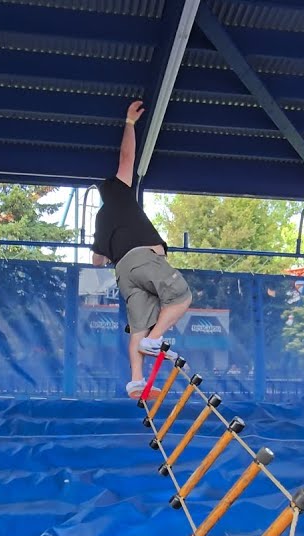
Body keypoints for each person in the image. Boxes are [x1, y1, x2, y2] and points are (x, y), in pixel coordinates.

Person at [91, 100, 193, 399]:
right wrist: (130, 124)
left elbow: (97, 261)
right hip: (143, 259)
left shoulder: (101, 219)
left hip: (123, 273)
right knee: (181, 296)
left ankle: (136, 381)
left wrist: (110, 244)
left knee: (139, 325)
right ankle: (156, 338)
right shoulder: (119, 194)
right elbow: (126, 157)